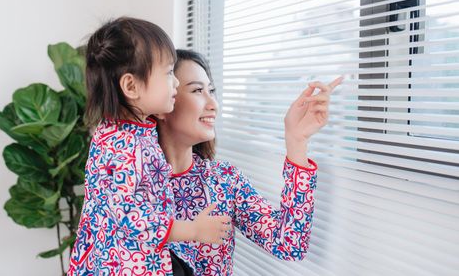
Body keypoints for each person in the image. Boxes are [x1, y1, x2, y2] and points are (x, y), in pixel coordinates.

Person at [156, 49, 343, 275]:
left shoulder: (224, 180)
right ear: (163, 103)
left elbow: (290, 245)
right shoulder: (131, 185)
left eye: (211, 91)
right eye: (197, 90)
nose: (213, 103)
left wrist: (296, 141)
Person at [67, 18, 231, 276]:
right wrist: (193, 230)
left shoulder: (127, 133)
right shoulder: (124, 144)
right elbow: (128, 216)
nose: (175, 83)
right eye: (168, 73)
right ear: (131, 86)